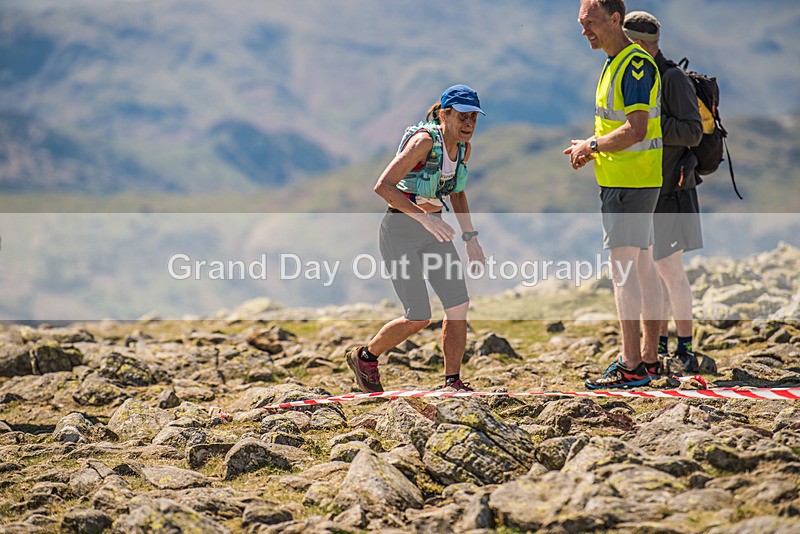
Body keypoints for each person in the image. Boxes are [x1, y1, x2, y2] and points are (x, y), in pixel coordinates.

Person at [345, 85, 487, 393]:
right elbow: (383, 186)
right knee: (419, 315)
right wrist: (421, 217)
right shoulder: (423, 142)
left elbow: (458, 192)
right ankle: (365, 357)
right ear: (443, 115)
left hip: (435, 230)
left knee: (458, 305)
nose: (468, 124)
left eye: (473, 117)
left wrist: (470, 238)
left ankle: (452, 382)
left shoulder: (464, 149)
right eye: (462, 116)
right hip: (400, 230)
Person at [565, 0, 664, 389]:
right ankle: (649, 360)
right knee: (642, 267)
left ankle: (631, 363)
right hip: (633, 179)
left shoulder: (633, 64)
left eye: (590, 22)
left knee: (625, 271)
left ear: (615, 19)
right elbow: (617, 126)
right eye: (581, 23)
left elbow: (636, 130)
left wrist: (593, 145)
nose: (584, 30)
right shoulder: (616, 63)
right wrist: (593, 145)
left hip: (630, 182)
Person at [623, 11, 704, 374]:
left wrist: (646, 126)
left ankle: (685, 349)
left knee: (668, 269)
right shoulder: (646, 75)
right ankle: (659, 347)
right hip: (650, 189)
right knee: (650, 272)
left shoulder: (671, 78)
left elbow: (692, 133)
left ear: (639, 44)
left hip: (673, 189)